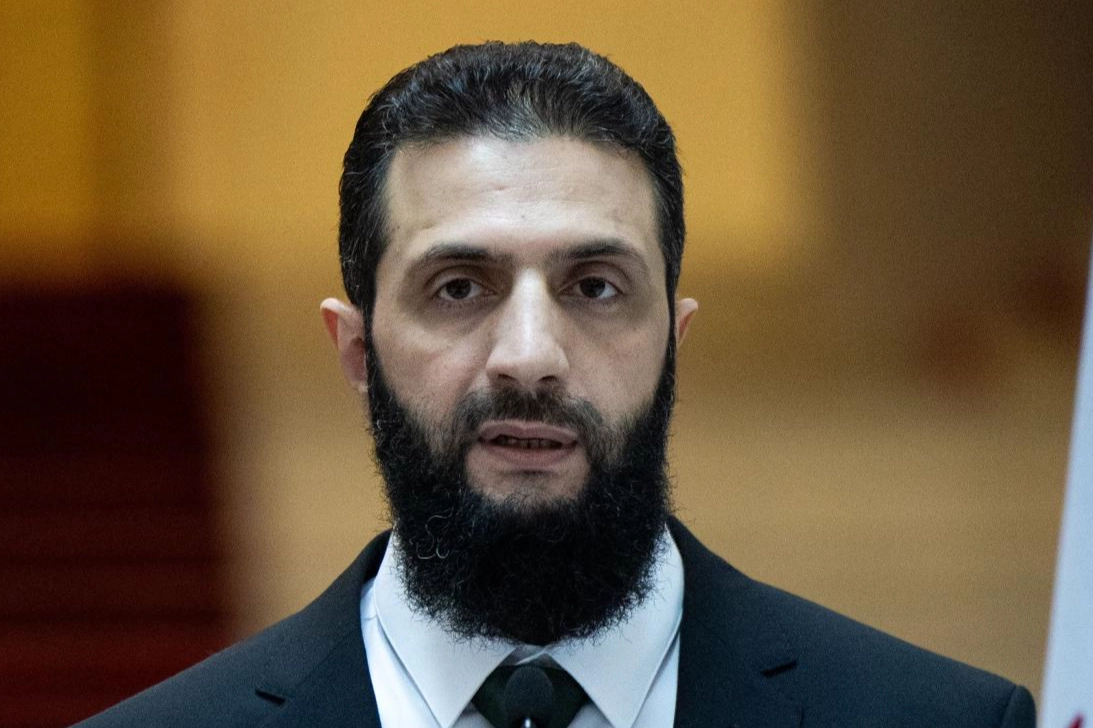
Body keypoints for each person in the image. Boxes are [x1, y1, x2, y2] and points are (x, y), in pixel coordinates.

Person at [76, 41, 1035, 728]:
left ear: (673, 343)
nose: (529, 355)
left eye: (595, 287)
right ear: (357, 351)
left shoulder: (944, 718)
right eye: (459, 287)